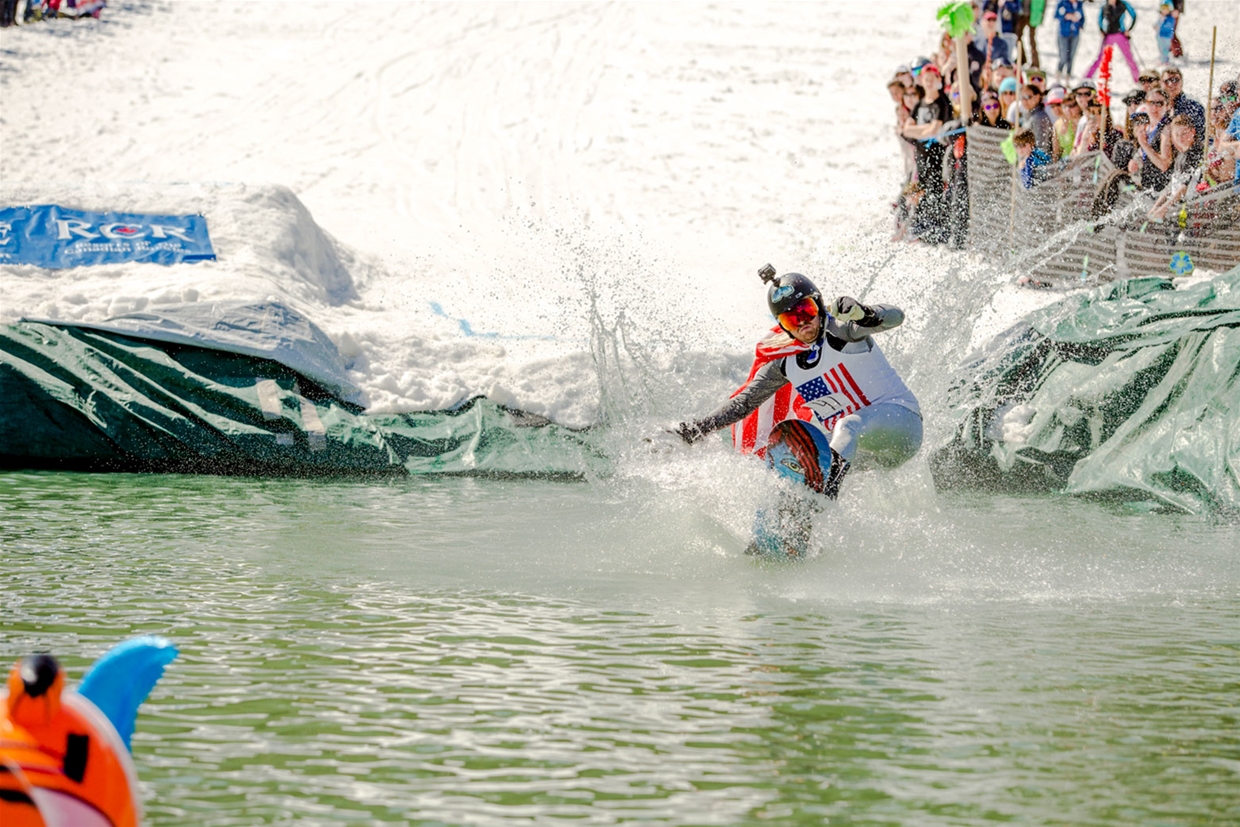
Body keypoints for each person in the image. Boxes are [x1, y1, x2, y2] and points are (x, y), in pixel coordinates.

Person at [673, 272, 922, 503]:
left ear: (819, 305)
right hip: (864, 453)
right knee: (796, 456)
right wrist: (697, 429)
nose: (802, 322)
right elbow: (743, 403)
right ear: (782, 326)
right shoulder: (785, 364)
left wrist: (864, 313)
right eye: (792, 318)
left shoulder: (843, 330)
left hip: (901, 426)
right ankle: (789, 523)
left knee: (847, 425)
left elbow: (895, 317)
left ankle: (822, 507)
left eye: (806, 310)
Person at [901, 65, 953, 244]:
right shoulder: (920, 104)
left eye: (932, 78)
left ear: (938, 80)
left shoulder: (942, 102)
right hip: (921, 155)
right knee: (920, 191)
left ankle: (937, 229)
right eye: (926, 78)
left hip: (938, 156)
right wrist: (923, 130)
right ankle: (922, 228)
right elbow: (907, 129)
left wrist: (919, 130)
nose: (929, 82)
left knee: (935, 190)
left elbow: (935, 129)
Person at [1148, 115, 1204, 220]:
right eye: (1177, 135)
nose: (1180, 138)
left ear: (1193, 132)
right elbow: (1172, 185)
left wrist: (1164, 208)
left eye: (1184, 134)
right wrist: (1156, 206)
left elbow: (1184, 187)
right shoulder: (1181, 153)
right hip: (1178, 204)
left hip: (1190, 206)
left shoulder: (1195, 153)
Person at [1084, 0, 1140, 84]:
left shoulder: (1123, 4)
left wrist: (1129, 29)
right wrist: (1102, 30)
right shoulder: (1104, 5)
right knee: (1100, 58)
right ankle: (1086, 78)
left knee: (1129, 58)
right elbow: (1100, 19)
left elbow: (1134, 15)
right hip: (1109, 35)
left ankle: (1138, 79)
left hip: (1120, 34)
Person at [1161, 67, 1205, 146]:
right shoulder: (1156, 106)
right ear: (1161, 83)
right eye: (1167, 81)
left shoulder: (1193, 108)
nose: (1171, 84)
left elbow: (1203, 136)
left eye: (1175, 80)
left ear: (1182, 82)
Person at [1019, 83, 1056, 158]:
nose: (1024, 101)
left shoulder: (1039, 117)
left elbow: (1041, 146)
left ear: (1037, 97)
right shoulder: (1027, 114)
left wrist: (1031, 162)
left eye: (1028, 97)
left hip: (1037, 162)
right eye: (1022, 97)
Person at [1054, 0, 1086, 85]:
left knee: (1071, 56)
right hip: (1064, 33)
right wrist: (1067, 16)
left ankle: (1068, 77)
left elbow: (1082, 17)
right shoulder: (1062, 3)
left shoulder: (1079, 4)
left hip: (1075, 34)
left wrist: (1080, 24)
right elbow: (1056, 15)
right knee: (1063, 56)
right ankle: (1058, 74)